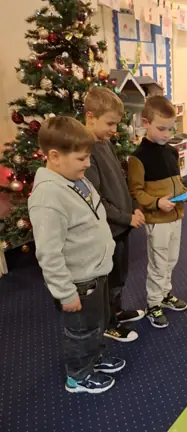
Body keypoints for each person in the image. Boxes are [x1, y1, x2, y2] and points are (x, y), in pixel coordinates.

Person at [28, 116, 125, 394]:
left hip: (96, 272)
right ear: (54, 157)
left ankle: (95, 357)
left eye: (88, 157)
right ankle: (78, 375)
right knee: (81, 331)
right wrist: (64, 292)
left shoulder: (76, 180)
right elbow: (48, 253)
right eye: (81, 158)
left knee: (96, 324)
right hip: (78, 282)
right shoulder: (48, 198)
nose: (88, 164)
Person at [85, 87, 145, 343]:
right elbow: (96, 199)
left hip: (121, 225)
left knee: (120, 274)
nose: (114, 129)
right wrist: (125, 217)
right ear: (90, 117)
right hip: (109, 229)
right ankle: (109, 323)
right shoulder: (85, 151)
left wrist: (133, 207)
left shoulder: (104, 142)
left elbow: (119, 182)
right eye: (109, 123)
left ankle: (117, 312)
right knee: (109, 278)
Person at [128, 95, 187, 329]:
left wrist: (185, 193)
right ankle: (153, 303)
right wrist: (156, 203)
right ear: (146, 123)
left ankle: (165, 294)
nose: (166, 134)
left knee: (172, 259)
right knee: (158, 263)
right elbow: (136, 191)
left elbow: (177, 181)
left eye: (170, 129)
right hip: (157, 219)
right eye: (161, 128)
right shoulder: (138, 157)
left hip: (176, 215)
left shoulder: (171, 152)